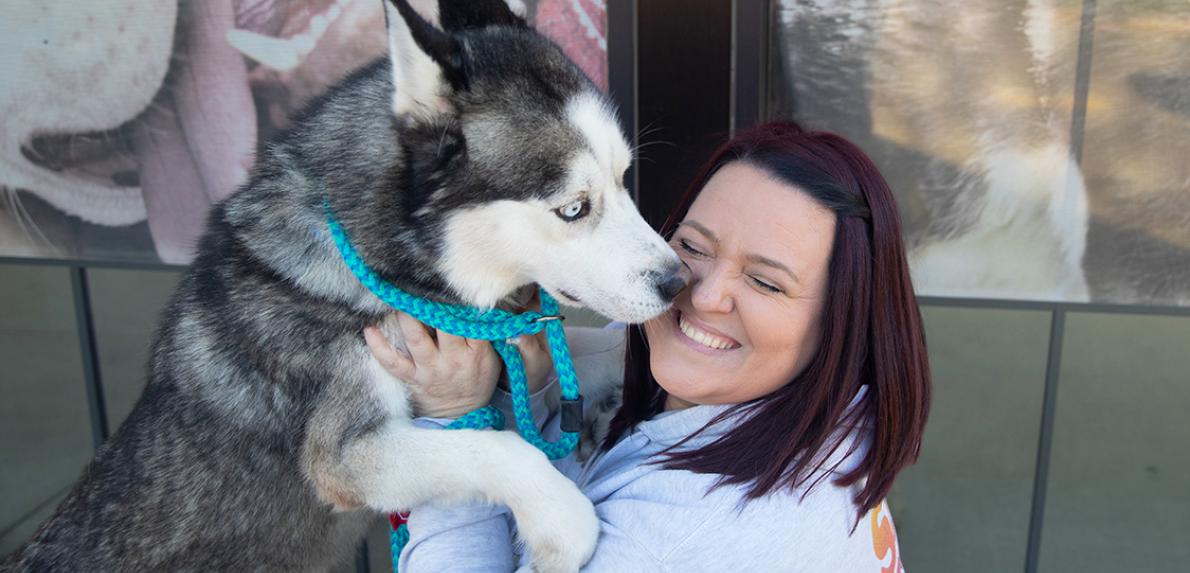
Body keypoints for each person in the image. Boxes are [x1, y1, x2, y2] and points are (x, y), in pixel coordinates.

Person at [365, 121, 930, 571]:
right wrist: (538, 394)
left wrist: (458, 426)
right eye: (692, 245)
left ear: (842, 324)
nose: (704, 298)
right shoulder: (824, 420)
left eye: (765, 282)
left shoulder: (682, 538)